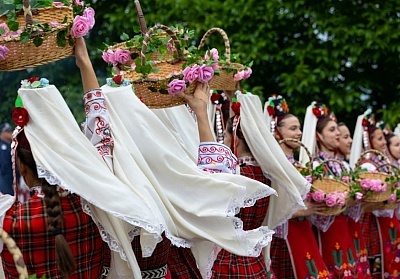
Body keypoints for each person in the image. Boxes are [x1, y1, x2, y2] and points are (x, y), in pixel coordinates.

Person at [265, 95, 331, 279]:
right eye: (293, 128)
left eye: (299, 128)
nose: (299, 132)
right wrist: (299, 211)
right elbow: (269, 204)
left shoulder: (299, 163)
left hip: (303, 230)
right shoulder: (273, 166)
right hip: (284, 236)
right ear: (277, 132)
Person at [300, 101, 368, 279]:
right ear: (318, 136)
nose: (337, 133)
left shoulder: (343, 165)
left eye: (336, 129)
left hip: (344, 227)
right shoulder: (315, 166)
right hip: (325, 231)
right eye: (331, 130)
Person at [350, 111, 400, 278]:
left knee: (393, 258)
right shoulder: (367, 166)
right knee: (380, 260)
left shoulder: (383, 164)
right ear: (369, 141)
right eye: (379, 139)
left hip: (388, 219)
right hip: (375, 221)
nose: (383, 142)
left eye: (383, 138)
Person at [0, 123, 13, 195]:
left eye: (11, 131)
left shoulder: (10, 146)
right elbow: (5, 166)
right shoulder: (2, 147)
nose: (10, 133)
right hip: (5, 180)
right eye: (7, 131)